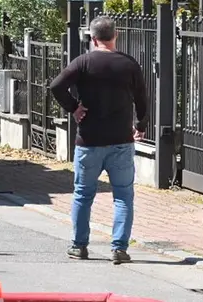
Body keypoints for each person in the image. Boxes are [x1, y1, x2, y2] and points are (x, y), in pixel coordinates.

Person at [49, 15, 149, 264]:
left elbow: (56, 86)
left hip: (89, 140)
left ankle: (79, 246)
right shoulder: (129, 64)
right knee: (123, 196)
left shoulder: (83, 62)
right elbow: (142, 97)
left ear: (92, 38)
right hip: (121, 141)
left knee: (83, 194)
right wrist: (141, 124)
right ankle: (119, 248)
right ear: (115, 36)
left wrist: (73, 107)